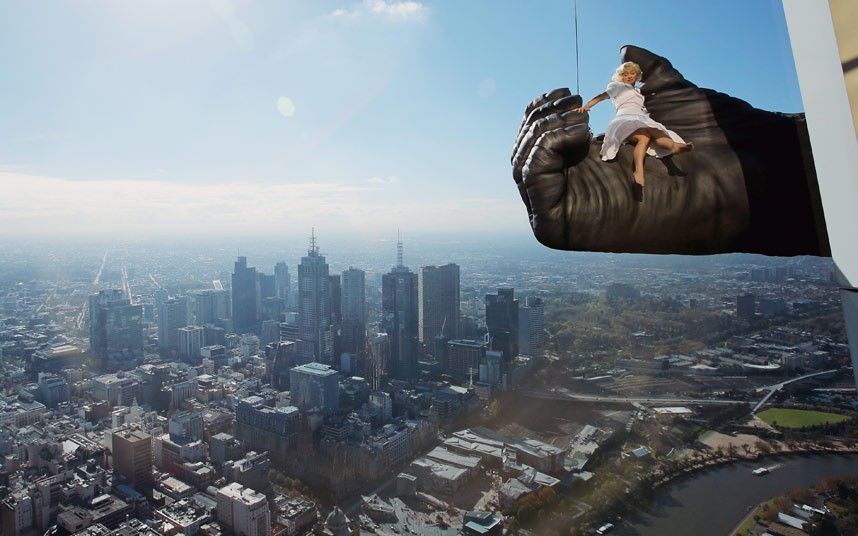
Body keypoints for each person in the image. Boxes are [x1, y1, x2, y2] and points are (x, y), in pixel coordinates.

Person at [575, 61, 692, 196]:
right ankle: (639, 171)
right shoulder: (617, 87)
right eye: (625, 74)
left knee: (654, 131)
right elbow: (601, 97)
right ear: (621, 77)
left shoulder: (639, 91)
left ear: (637, 75)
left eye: (632, 73)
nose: (629, 76)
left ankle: (673, 146)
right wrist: (586, 106)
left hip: (641, 117)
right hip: (625, 118)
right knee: (644, 137)